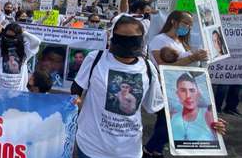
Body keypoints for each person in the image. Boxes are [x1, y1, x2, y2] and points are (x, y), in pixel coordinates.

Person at [73, 15, 164, 158]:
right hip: (91, 146)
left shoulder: (148, 68)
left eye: (133, 39)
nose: (127, 44)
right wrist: (76, 103)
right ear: (113, 37)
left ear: (141, 40)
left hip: (129, 150)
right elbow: (76, 88)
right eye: (122, 38)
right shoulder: (95, 59)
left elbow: (156, 107)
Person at [144, 10, 208, 158]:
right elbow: (162, 67)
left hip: (178, 89)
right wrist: (191, 58)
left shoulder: (181, 42)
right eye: (185, 23)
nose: (188, 27)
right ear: (173, 21)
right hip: (163, 88)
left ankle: (156, 151)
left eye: (190, 25)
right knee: (168, 125)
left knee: (167, 124)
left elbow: (184, 64)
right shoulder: (159, 40)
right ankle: (149, 150)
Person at [0, 23, 41, 91]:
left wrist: (24, 32)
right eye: (7, 36)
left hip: (18, 92)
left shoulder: (25, 49)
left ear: (19, 37)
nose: (9, 39)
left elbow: (37, 41)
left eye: (12, 37)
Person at [171, 73, 227, 141]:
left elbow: (216, 131)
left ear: (198, 94)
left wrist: (218, 127)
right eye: (183, 90)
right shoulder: (172, 116)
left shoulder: (207, 115)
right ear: (177, 94)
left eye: (192, 90)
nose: (188, 96)